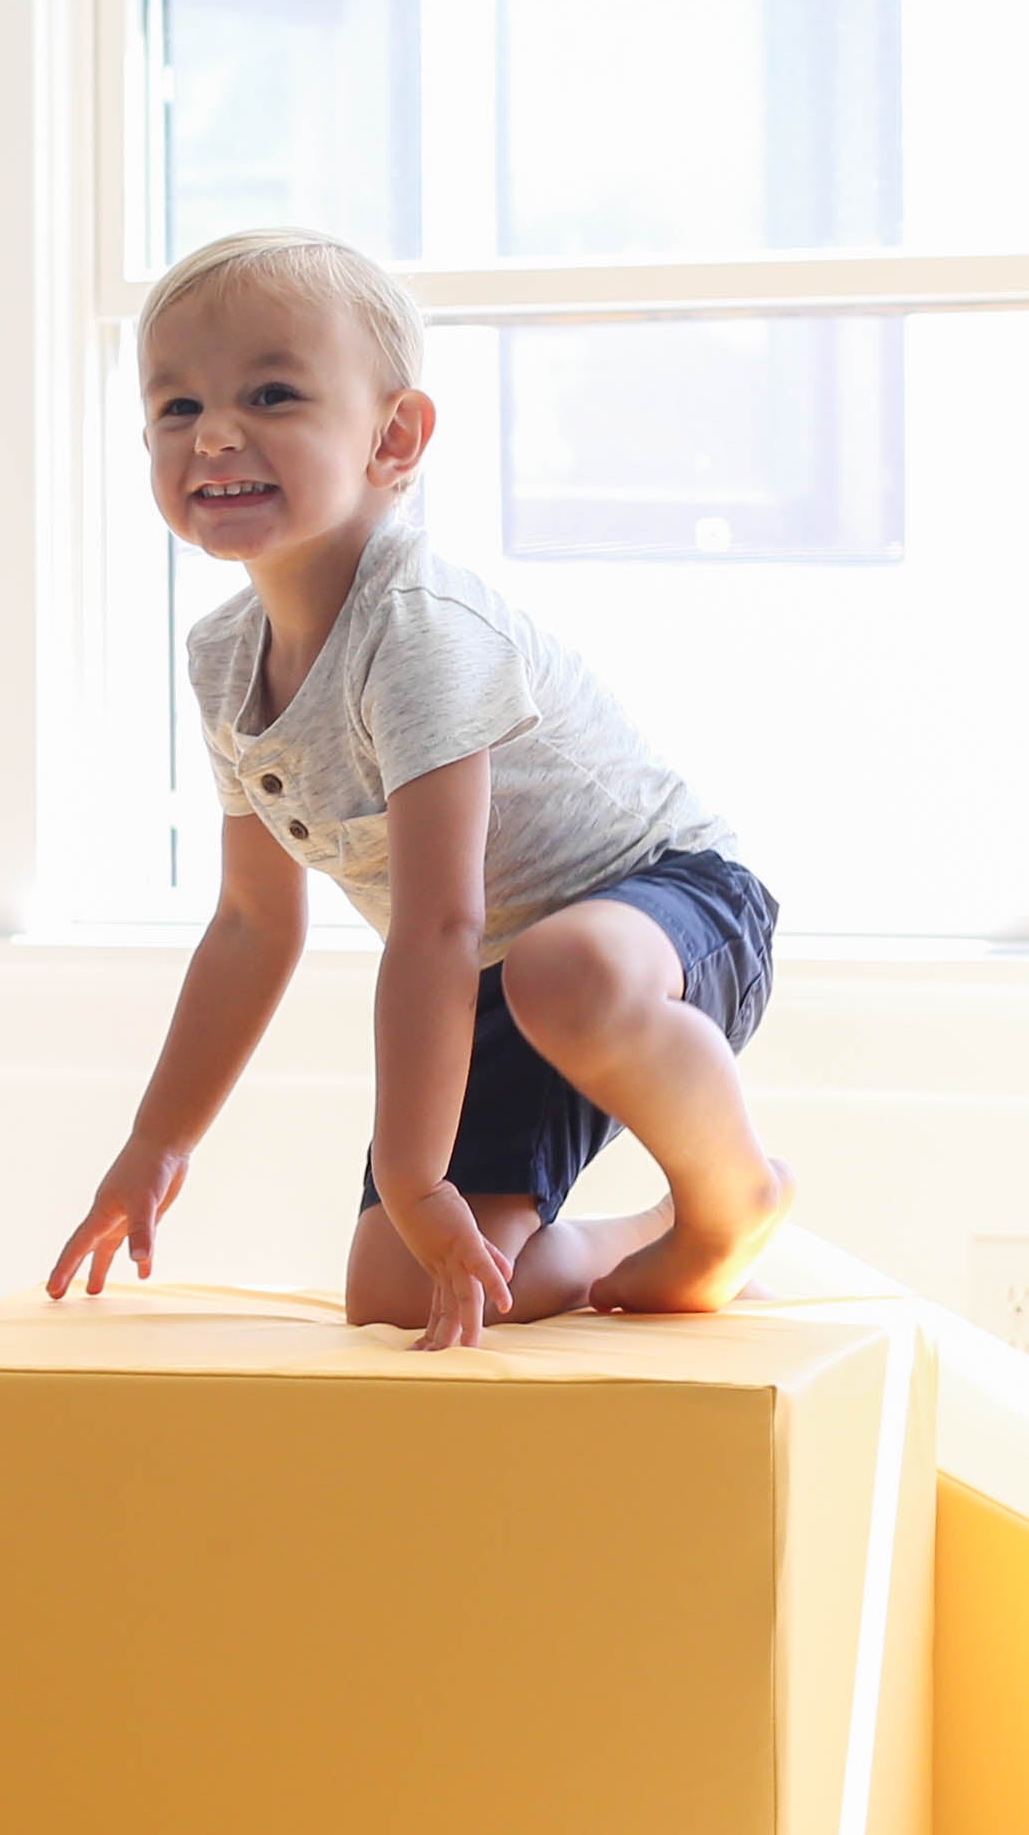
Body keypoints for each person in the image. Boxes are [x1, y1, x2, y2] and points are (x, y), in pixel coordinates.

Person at [47, 226, 790, 1350]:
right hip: (500, 972)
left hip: (670, 908)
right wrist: (158, 1144)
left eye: (272, 392)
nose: (217, 434)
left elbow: (438, 921)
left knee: (567, 967)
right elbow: (253, 925)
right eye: (177, 407)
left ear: (393, 438)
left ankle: (729, 1199)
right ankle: (625, 1244)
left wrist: (414, 1169)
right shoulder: (222, 659)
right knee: (395, 1289)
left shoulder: (419, 628)